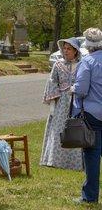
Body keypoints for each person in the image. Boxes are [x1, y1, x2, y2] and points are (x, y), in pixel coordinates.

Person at [40, 37, 83, 170]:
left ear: (75, 51)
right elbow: (52, 83)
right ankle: (55, 160)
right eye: (64, 48)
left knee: (76, 129)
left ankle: (74, 162)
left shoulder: (82, 65)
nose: (65, 51)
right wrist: (53, 104)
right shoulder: (58, 65)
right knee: (58, 129)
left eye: (69, 48)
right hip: (61, 101)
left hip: (76, 101)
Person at [72, 28, 102, 204]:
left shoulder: (88, 61)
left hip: (93, 114)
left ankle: (90, 196)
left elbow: (82, 89)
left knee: (92, 154)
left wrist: (72, 89)